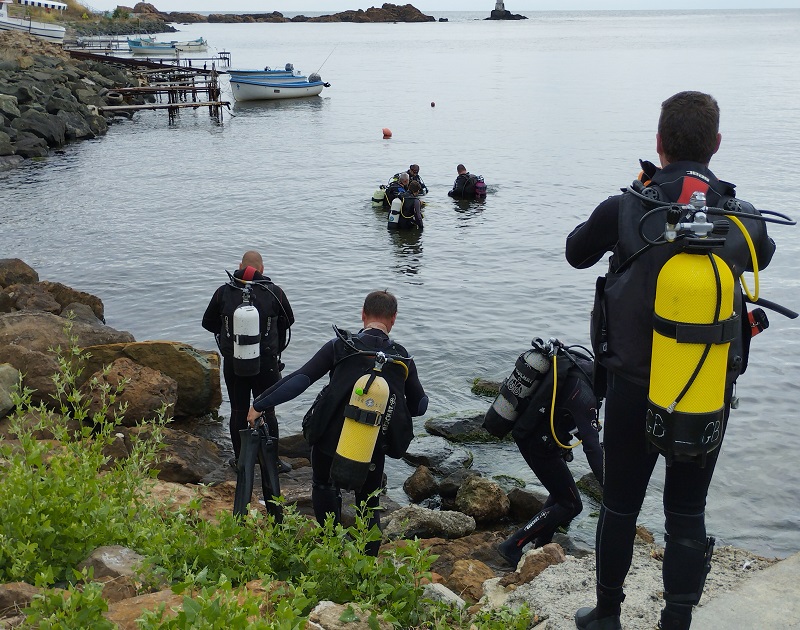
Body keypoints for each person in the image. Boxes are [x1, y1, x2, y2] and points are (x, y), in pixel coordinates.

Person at [565, 91, 776, 630]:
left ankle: (607, 615)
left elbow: (575, 251)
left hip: (634, 385)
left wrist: (634, 201)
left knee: (620, 506)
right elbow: (764, 251)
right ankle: (676, 621)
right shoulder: (739, 217)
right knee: (686, 510)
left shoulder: (625, 207)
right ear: (717, 145)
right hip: (705, 385)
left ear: (658, 144)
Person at [247, 290, 428, 556]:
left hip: (329, 440)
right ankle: (367, 565)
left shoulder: (340, 346)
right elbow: (419, 406)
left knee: (323, 485)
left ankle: (331, 549)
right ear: (394, 319)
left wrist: (260, 404)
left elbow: (300, 379)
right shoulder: (402, 359)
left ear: (363, 314)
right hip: (370, 444)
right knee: (369, 502)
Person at [497, 347, 603, 567]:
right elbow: (592, 448)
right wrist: (609, 487)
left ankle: (542, 543)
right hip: (538, 445)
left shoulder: (581, 367)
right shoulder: (585, 396)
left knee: (561, 493)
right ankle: (513, 545)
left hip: (534, 435)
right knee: (572, 505)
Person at [202, 250, 295, 471]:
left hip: (235, 362)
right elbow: (288, 320)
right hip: (267, 363)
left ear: (239, 266)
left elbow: (208, 322)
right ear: (262, 269)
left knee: (237, 410)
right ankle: (272, 462)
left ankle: (241, 461)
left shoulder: (223, 292)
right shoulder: (275, 293)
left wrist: (229, 337)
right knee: (268, 410)